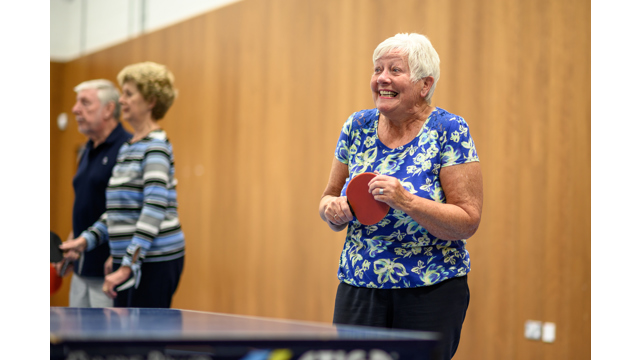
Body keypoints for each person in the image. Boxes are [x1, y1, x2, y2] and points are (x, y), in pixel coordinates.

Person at [318, 33, 483, 360]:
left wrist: (405, 201)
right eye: (377, 69)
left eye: (395, 70)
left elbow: (467, 221)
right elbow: (327, 198)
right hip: (358, 289)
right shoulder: (357, 126)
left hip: (430, 292)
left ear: (425, 84)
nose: (382, 78)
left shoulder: (449, 129)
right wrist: (332, 210)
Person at [61, 62, 186, 308]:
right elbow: (119, 212)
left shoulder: (156, 147)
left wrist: (127, 263)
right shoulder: (130, 146)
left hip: (156, 261)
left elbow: (153, 209)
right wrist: (85, 241)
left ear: (150, 101)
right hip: (135, 260)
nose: (122, 101)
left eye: (128, 94)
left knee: (142, 342)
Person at [57, 79, 132, 308]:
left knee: (104, 342)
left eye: (85, 103)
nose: (75, 109)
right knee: (76, 340)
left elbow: (128, 210)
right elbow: (85, 202)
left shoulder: (127, 147)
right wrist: (72, 241)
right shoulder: (88, 148)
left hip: (108, 273)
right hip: (81, 269)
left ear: (108, 109)